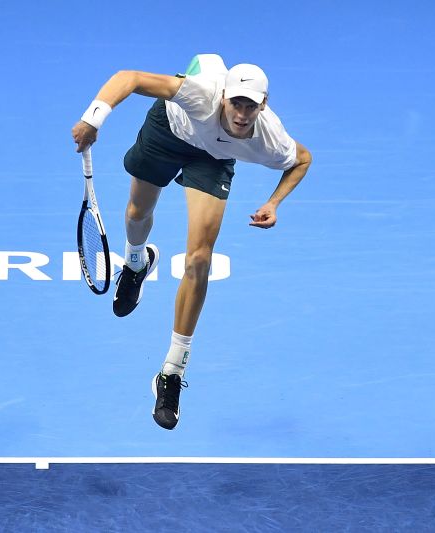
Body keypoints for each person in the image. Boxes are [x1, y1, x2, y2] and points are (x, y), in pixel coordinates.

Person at [71, 55, 312, 430]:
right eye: (236, 103)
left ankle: (171, 371)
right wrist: (93, 118)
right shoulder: (199, 94)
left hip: (213, 159)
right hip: (169, 130)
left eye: (251, 106)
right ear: (223, 98)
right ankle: (136, 263)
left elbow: (303, 159)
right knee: (137, 213)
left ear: (263, 105)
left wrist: (273, 203)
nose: (242, 114)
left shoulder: (271, 139)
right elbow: (130, 77)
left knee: (200, 259)